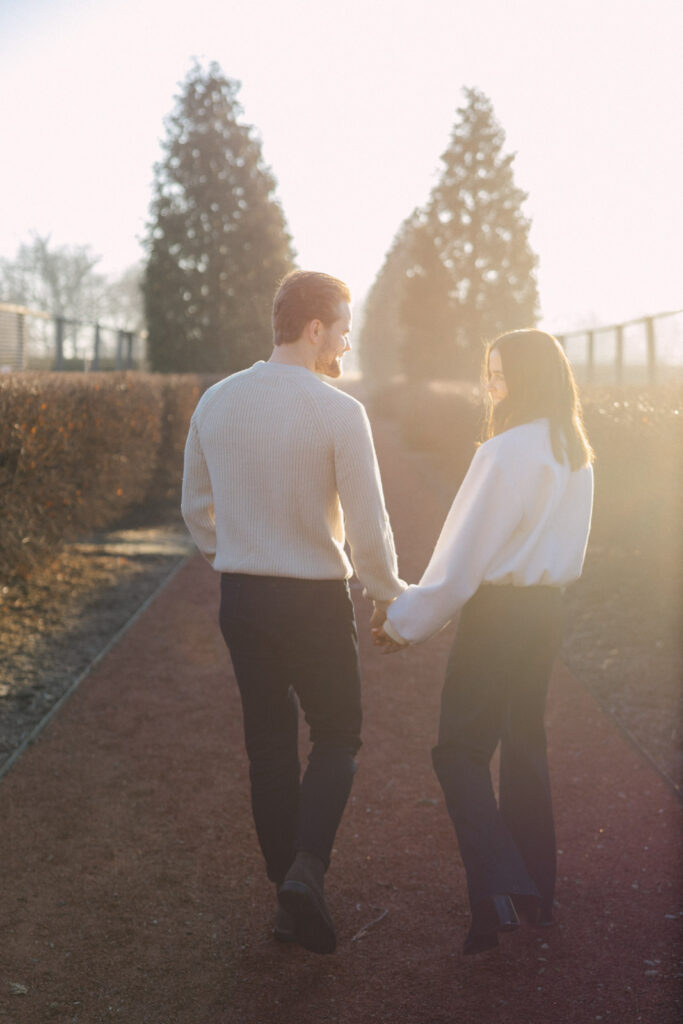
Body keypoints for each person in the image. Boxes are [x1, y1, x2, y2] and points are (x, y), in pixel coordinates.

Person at [181, 270, 405, 955]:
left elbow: (195, 508)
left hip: (242, 596)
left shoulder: (216, 402)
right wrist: (386, 595)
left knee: (268, 744)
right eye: (341, 328)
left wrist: (240, 549)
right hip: (313, 597)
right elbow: (368, 527)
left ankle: (289, 894)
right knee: (337, 734)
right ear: (314, 329)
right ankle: (306, 870)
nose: (344, 341)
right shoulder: (338, 411)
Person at [373, 329, 594, 956]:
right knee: (526, 742)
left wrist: (401, 623)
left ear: (522, 378)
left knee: (458, 752)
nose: (489, 386)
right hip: (546, 613)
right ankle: (536, 895)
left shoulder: (502, 452)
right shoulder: (573, 450)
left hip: (498, 614)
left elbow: (460, 563)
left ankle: (497, 884)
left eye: (497, 374)